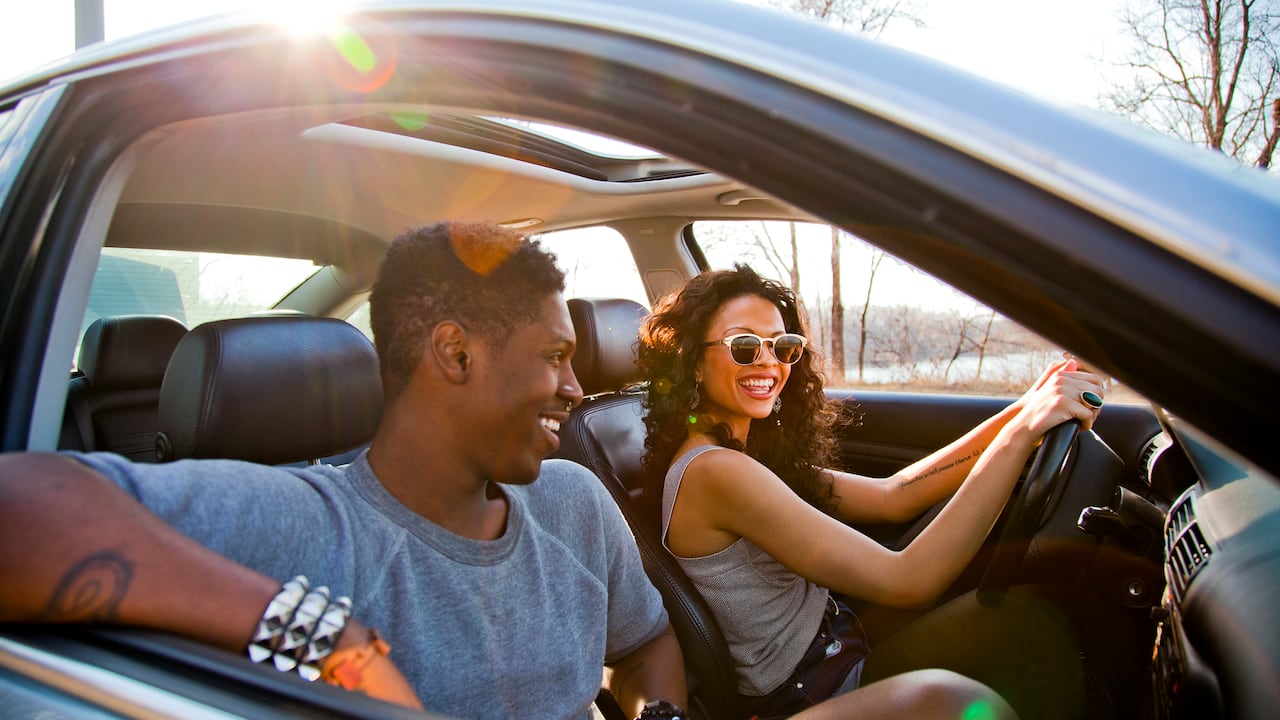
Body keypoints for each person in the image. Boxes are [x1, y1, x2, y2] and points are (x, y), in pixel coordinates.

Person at [0, 221, 687, 720]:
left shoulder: (573, 499)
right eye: (553, 357)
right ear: (456, 354)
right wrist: (331, 638)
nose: (575, 388)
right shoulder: (307, 522)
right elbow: (19, 508)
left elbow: (646, 642)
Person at [636, 264, 1108, 720]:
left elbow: (893, 496)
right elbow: (909, 580)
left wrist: (1027, 407)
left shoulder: (746, 454)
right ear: (692, 361)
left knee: (1030, 626)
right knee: (1019, 646)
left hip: (840, 648)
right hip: (811, 694)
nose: (768, 361)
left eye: (783, 345)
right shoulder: (715, 471)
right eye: (744, 345)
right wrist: (1019, 437)